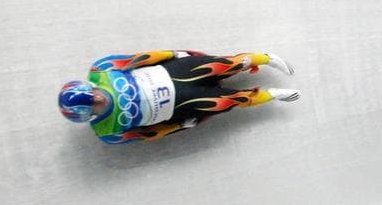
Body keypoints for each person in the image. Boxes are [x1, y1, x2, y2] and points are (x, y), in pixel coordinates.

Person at [58, 50, 299, 143]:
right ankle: (273, 95)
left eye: (93, 94)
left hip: (174, 73)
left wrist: (173, 54)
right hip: (181, 105)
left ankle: (267, 58)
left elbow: (140, 60)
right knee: (233, 99)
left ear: (89, 86)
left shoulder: (101, 70)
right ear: (89, 115)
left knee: (228, 64)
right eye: (94, 105)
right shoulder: (107, 132)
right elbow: (148, 134)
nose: (98, 99)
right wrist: (178, 126)